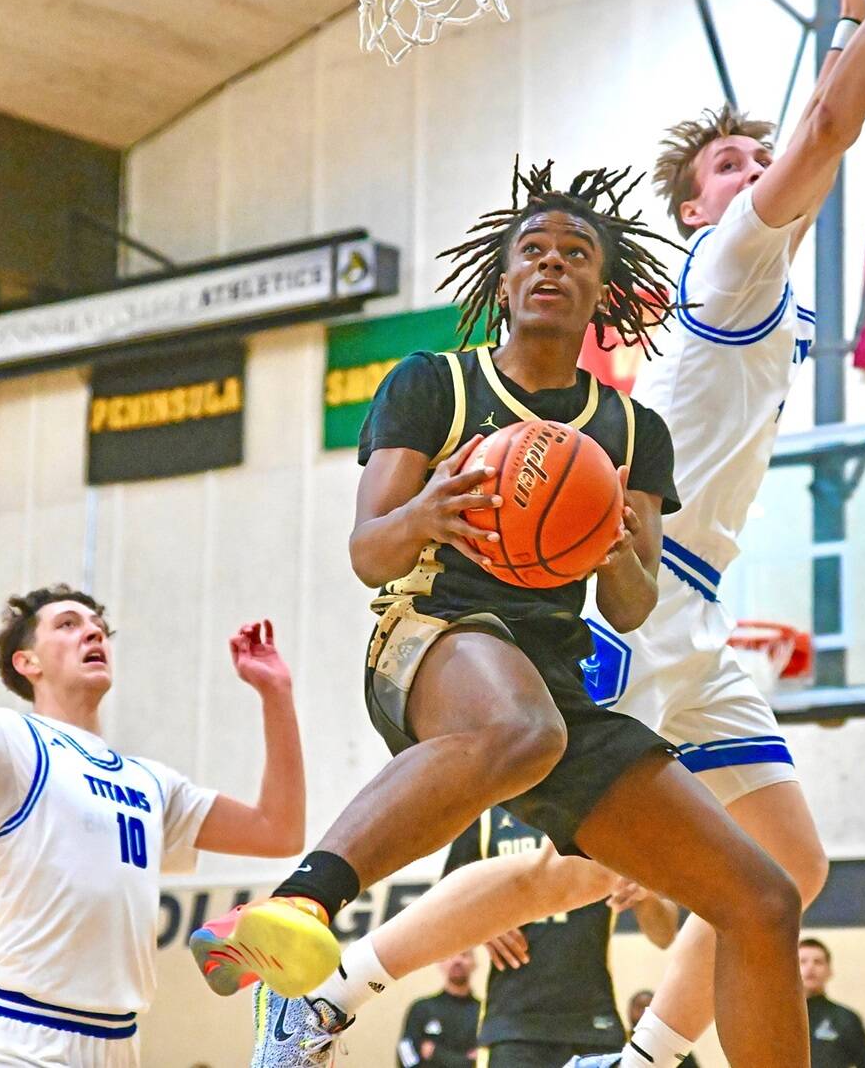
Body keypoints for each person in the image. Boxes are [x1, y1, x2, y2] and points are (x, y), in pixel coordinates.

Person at [236, 0, 865, 1068]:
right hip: (539, 614)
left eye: (755, 156)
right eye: (727, 167)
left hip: (677, 592)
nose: (754, 171)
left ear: (602, 279)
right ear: (695, 213)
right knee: (573, 857)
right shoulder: (730, 262)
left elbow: (817, 134)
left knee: (781, 873)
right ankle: (332, 982)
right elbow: (824, 129)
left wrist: (843, 23)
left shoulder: (704, 348)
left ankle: (640, 1055)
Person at [195, 160, 811, 1068]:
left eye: (574, 254)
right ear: (506, 278)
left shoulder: (633, 432)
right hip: (427, 632)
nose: (552, 265)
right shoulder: (434, 384)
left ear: (605, 288)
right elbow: (370, 552)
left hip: (555, 686)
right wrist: (426, 513)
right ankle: (299, 902)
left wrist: (625, 554)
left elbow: (628, 609)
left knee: (763, 898)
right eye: (533, 252)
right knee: (521, 727)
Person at [0, 586, 305, 1068]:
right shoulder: (7, 736)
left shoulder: (151, 781)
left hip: (120, 1042)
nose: (92, 631)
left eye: (98, 627)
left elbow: (278, 831)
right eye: (68, 624)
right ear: (27, 662)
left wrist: (275, 694)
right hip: (24, 1034)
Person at [443, 806, 679, 1068]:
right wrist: (481, 921)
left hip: (595, 1024)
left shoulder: (606, 808)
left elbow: (665, 934)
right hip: (513, 1028)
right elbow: (443, 903)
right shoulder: (488, 815)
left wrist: (645, 894)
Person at [798, 938, 865, 1068]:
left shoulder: (846, 1018)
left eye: (818, 962)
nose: (810, 967)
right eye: (802, 962)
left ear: (829, 971)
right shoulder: (776, 1019)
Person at [395, 950, 482, 1067]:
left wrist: (435, 1053)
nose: (457, 960)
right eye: (450, 955)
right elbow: (405, 1053)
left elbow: (484, 1059)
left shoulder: (485, 1012)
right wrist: (465, 1060)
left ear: (474, 963)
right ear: (440, 963)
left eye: (464, 955)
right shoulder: (422, 1008)